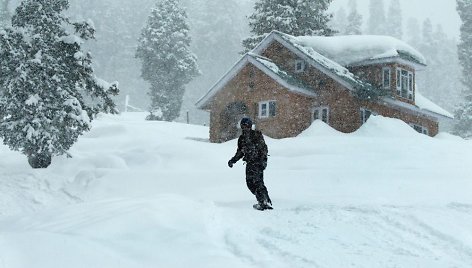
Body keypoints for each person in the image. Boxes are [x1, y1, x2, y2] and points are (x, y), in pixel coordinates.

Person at [228, 117, 272, 210]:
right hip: (249, 163)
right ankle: (262, 200)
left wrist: (263, 161)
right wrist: (233, 160)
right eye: (243, 126)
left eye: (247, 125)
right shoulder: (241, 139)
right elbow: (240, 152)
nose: (245, 128)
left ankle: (265, 201)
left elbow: (263, 148)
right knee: (250, 183)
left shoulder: (256, 135)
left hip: (258, 162)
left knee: (258, 182)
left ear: (250, 126)